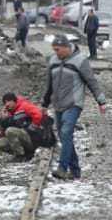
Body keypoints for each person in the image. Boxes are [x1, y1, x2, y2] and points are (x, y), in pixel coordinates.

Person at [41, 35, 106, 180]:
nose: (56, 53)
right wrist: (45, 104)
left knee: (66, 132)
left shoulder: (80, 60)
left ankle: (62, 168)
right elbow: (49, 85)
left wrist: (101, 101)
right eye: (54, 50)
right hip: (58, 104)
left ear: (67, 47)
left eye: (58, 49)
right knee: (65, 137)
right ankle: (75, 171)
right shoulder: (53, 60)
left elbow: (91, 81)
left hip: (74, 104)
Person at [0, 92, 46, 160]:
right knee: (0, 143)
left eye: (8, 101)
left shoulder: (24, 106)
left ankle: (20, 156)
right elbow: (3, 133)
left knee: (10, 131)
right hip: (23, 138)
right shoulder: (9, 113)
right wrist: (3, 120)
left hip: (33, 138)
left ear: (13, 100)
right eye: (5, 103)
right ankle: (26, 154)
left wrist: (33, 127)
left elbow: (39, 115)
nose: (7, 104)